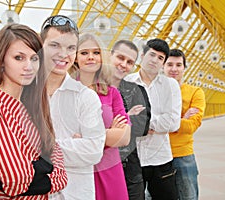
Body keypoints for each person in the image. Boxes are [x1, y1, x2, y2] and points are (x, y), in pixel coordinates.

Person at [0, 23, 67, 199]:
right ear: (2, 60)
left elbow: (61, 172)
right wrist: (44, 170)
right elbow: (14, 178)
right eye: (19, 58)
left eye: (34, 59)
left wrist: (32, 170)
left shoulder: (34, 108)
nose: (29, 66)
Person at [40, 16, 106, 200]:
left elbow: (93, 150)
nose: (63, 54)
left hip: (75, 193)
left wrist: (42, 148)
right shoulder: (24, 94)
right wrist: (72, 145)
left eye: (70, 48)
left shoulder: (85, 97)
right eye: (55, 45)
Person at [72, 33, 131, 200]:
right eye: (84, 53)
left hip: (110, 168)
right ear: (75, 58)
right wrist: (109, 132)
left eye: (96, 53)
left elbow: (124, 137)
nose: (91, 57)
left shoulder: (111, 93)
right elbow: (66, 137)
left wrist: (85, 136)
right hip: (79, 169)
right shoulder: (67, 93)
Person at [124, 38, 182, 200]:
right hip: (133, 158)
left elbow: (173, 122)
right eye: (152, 54)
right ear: (142, 55)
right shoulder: (127, 82)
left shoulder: (170, 85)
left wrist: (141, 123)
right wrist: (154, 123)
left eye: (160, 58)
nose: (155, 60)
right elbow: (122, 118)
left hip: (161, 158)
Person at [110, 40, 151, 200]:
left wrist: (113, 125)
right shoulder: (91, 87)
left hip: (130, 170)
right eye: (120, 58)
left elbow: (144, 126)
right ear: (110, 55)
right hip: (98, 168)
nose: (123, 65)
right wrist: (128, 116)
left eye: (129, 62)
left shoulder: (136, 90)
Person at [163, 49, 206, 200]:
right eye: (169, 64)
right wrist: (182, 118)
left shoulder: (196, 92)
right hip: (158, 155)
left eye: (178, 65)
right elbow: (148, 123)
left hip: (183, 155)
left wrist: (165, 121)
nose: (174, 69)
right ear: (163, 66)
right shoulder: (154, 92)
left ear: (184, 68)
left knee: (189, 196)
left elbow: (191, 126)